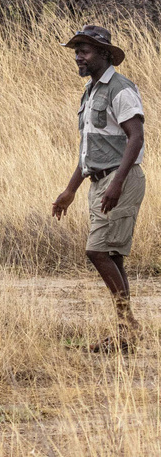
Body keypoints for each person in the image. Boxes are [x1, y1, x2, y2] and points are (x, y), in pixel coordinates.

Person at [52, 25, 146, 352]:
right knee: (113, 256)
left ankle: (128, 326)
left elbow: (136, 137)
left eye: (85, 51)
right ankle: (124, 334)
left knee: (97, 251)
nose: (78, 56)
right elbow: (90, 148)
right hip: (99, 181)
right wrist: (70, 191)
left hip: (119, 179)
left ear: (104, 54)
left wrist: (117, 183)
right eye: (76, 51)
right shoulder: (91, 91)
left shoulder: (120, 89)